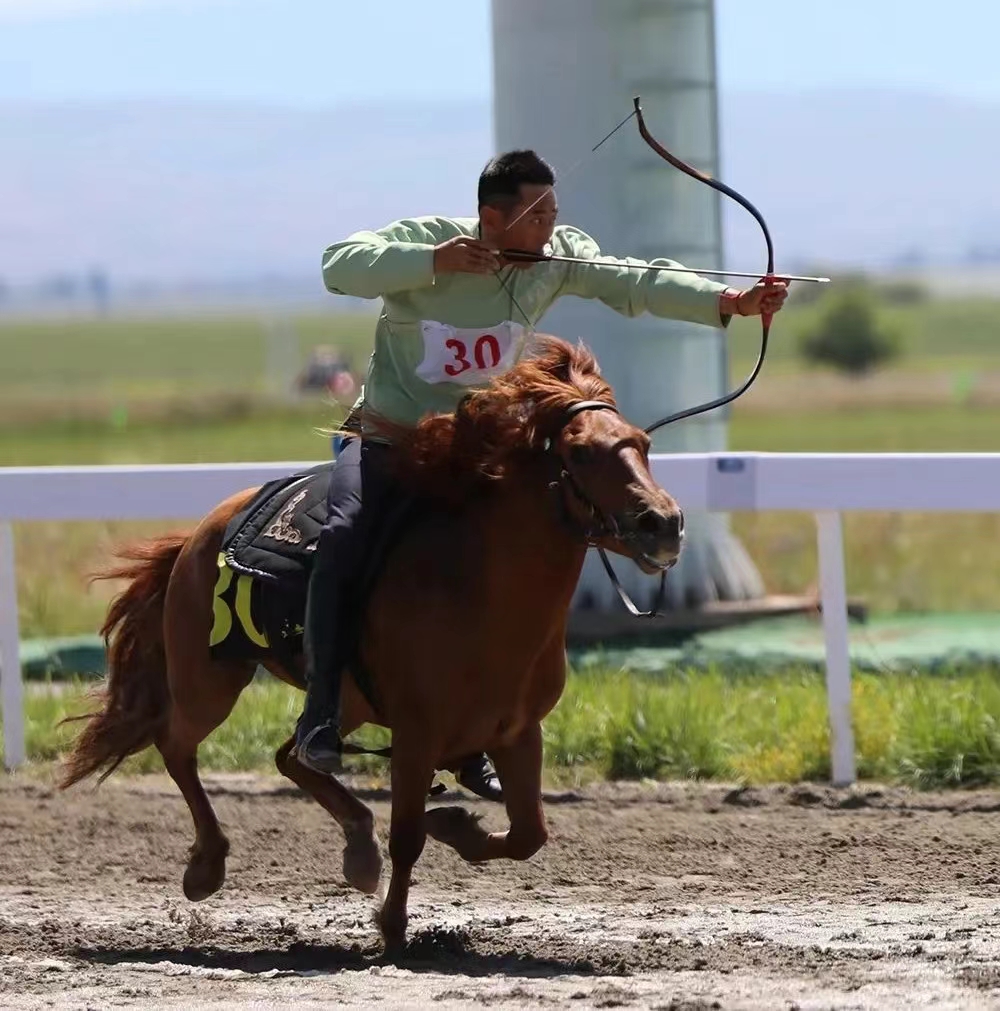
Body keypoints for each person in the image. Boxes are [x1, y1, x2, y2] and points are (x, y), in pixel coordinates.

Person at [294, 149, 788, 798]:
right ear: (491, 217)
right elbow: (339, 265)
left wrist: (731, 299)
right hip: (389, 443)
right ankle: (320, 713)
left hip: (475, 452)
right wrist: (435, 261)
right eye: (536, 216)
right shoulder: (423, 242)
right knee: (344, 536)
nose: (550, 229)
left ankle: (476, 738)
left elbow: (636, 280)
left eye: (555, 213)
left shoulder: (553, 260)